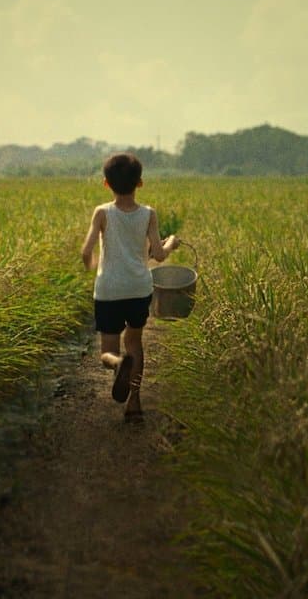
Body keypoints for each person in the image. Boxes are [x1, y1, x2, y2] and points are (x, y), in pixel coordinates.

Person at [80, 152, 180, 423]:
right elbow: (158, 255)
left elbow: (86, 250)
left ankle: (116, 363)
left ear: (105, 183)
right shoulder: (149, 214)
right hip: (138, 289)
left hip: (110, 290)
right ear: (140, 183)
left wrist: (92, 266)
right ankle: (134, 402)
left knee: (107, 352)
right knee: (134, 342)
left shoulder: (102, 213)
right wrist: (171, 242)